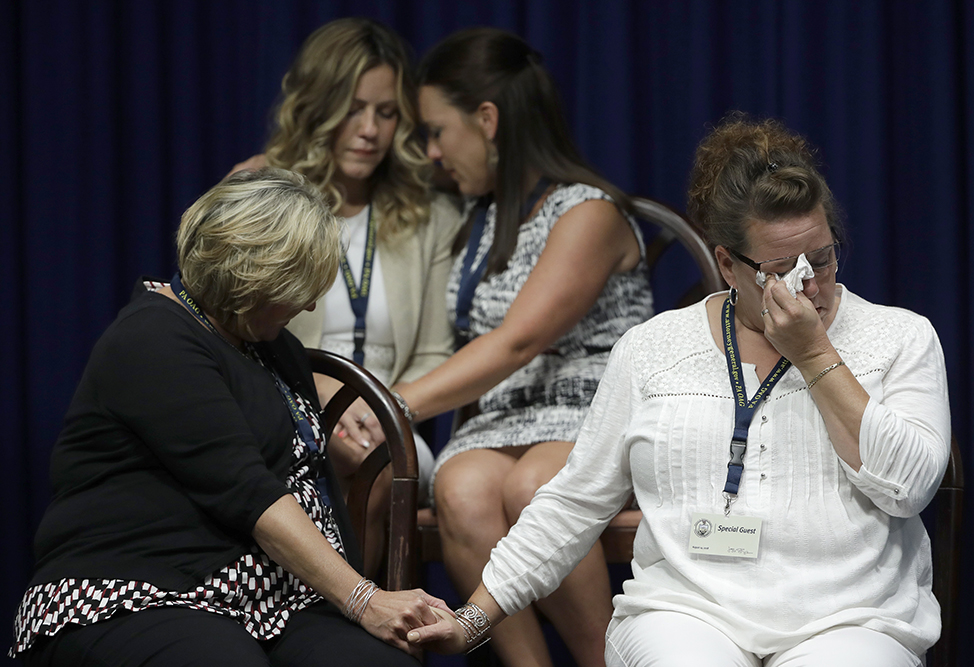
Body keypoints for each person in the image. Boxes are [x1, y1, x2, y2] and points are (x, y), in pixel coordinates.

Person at [407, 115, 951, 667]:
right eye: (781, 268)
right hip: (687, 613)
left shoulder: (900, 337)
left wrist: (814, 355)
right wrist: (472, 619)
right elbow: (573, 502)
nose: (808, 284)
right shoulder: (653, 348)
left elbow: (909, 486)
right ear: (726, 264)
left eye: (824, 258)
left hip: (851, 618)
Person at [9, 169, 449, 667]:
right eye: (298, 287)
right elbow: (250, 494)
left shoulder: (270, 344)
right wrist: (364, 599)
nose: (308, 303)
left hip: (272, 599)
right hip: (140, 586)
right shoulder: (153, 339)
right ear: (250, 275)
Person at [343, 27, 653, 666]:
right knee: (460, 486)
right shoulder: (471, 215)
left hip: (590, 415)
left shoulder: (587, 212)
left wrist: (387, 405)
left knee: (538, 485)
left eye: (436, 131)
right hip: (501, 420)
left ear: (486, 120)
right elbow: (363, 176)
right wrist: (277, 166)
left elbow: (518, 341)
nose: (429, 151)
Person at [230, 17, 463, 574]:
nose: (369, 131)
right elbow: (234, 331)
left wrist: (381, 409)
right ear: (319, 106)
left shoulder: (432, 214)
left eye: (386, 114)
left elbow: (436, 351)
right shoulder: (262, 192)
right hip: (284, 403)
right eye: (353, 108)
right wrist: (321, 407)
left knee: (376, 464)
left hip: (391, 418)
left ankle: (357, 630)